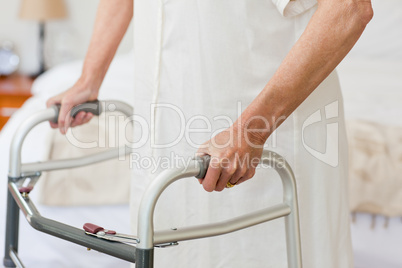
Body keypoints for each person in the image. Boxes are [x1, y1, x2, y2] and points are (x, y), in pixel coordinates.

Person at [47, 0, 373, 267]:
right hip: (169, 147)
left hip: (267, 145)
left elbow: (349, 8)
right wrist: (89, 78)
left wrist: (251, 132)